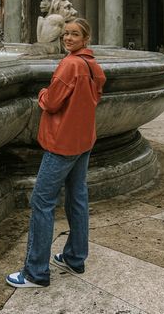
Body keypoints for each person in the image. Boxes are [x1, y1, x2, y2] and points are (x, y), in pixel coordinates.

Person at [6, 18, 106, 288]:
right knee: (77, 199)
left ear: (85, 39)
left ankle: (35, 272)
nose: (68, 38)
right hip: (83, 141)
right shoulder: (92, 65)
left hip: (62, 143)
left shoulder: (70, 64)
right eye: (66, 34)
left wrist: (40, 93)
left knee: (42, 202)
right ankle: (75, 257)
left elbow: (51, 102)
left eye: (74, 34)